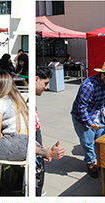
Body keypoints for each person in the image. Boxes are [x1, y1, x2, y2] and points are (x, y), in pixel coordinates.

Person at [70, 62, 105, 178]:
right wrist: (89, 123)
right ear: (102, 75)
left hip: (97, 115)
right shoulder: (88, 85)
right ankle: (91, 164)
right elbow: (81, 107)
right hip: (83, 117)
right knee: (88, 143)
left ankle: (104, 163)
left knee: (102, 140)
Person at [0, 69, 30, 162]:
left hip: (14, 145)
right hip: (27, 144)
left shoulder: (0, 103)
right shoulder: (17, 99)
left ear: (1, 84)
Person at [34, 66, 64, 196]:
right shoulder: (25, 101)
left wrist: (44, 147)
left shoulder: (32, 100)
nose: (46, 88)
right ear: (36, 79)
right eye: (45, 83)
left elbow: (36, 128)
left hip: (38, 152)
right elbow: (24, 139)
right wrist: (48, 152)